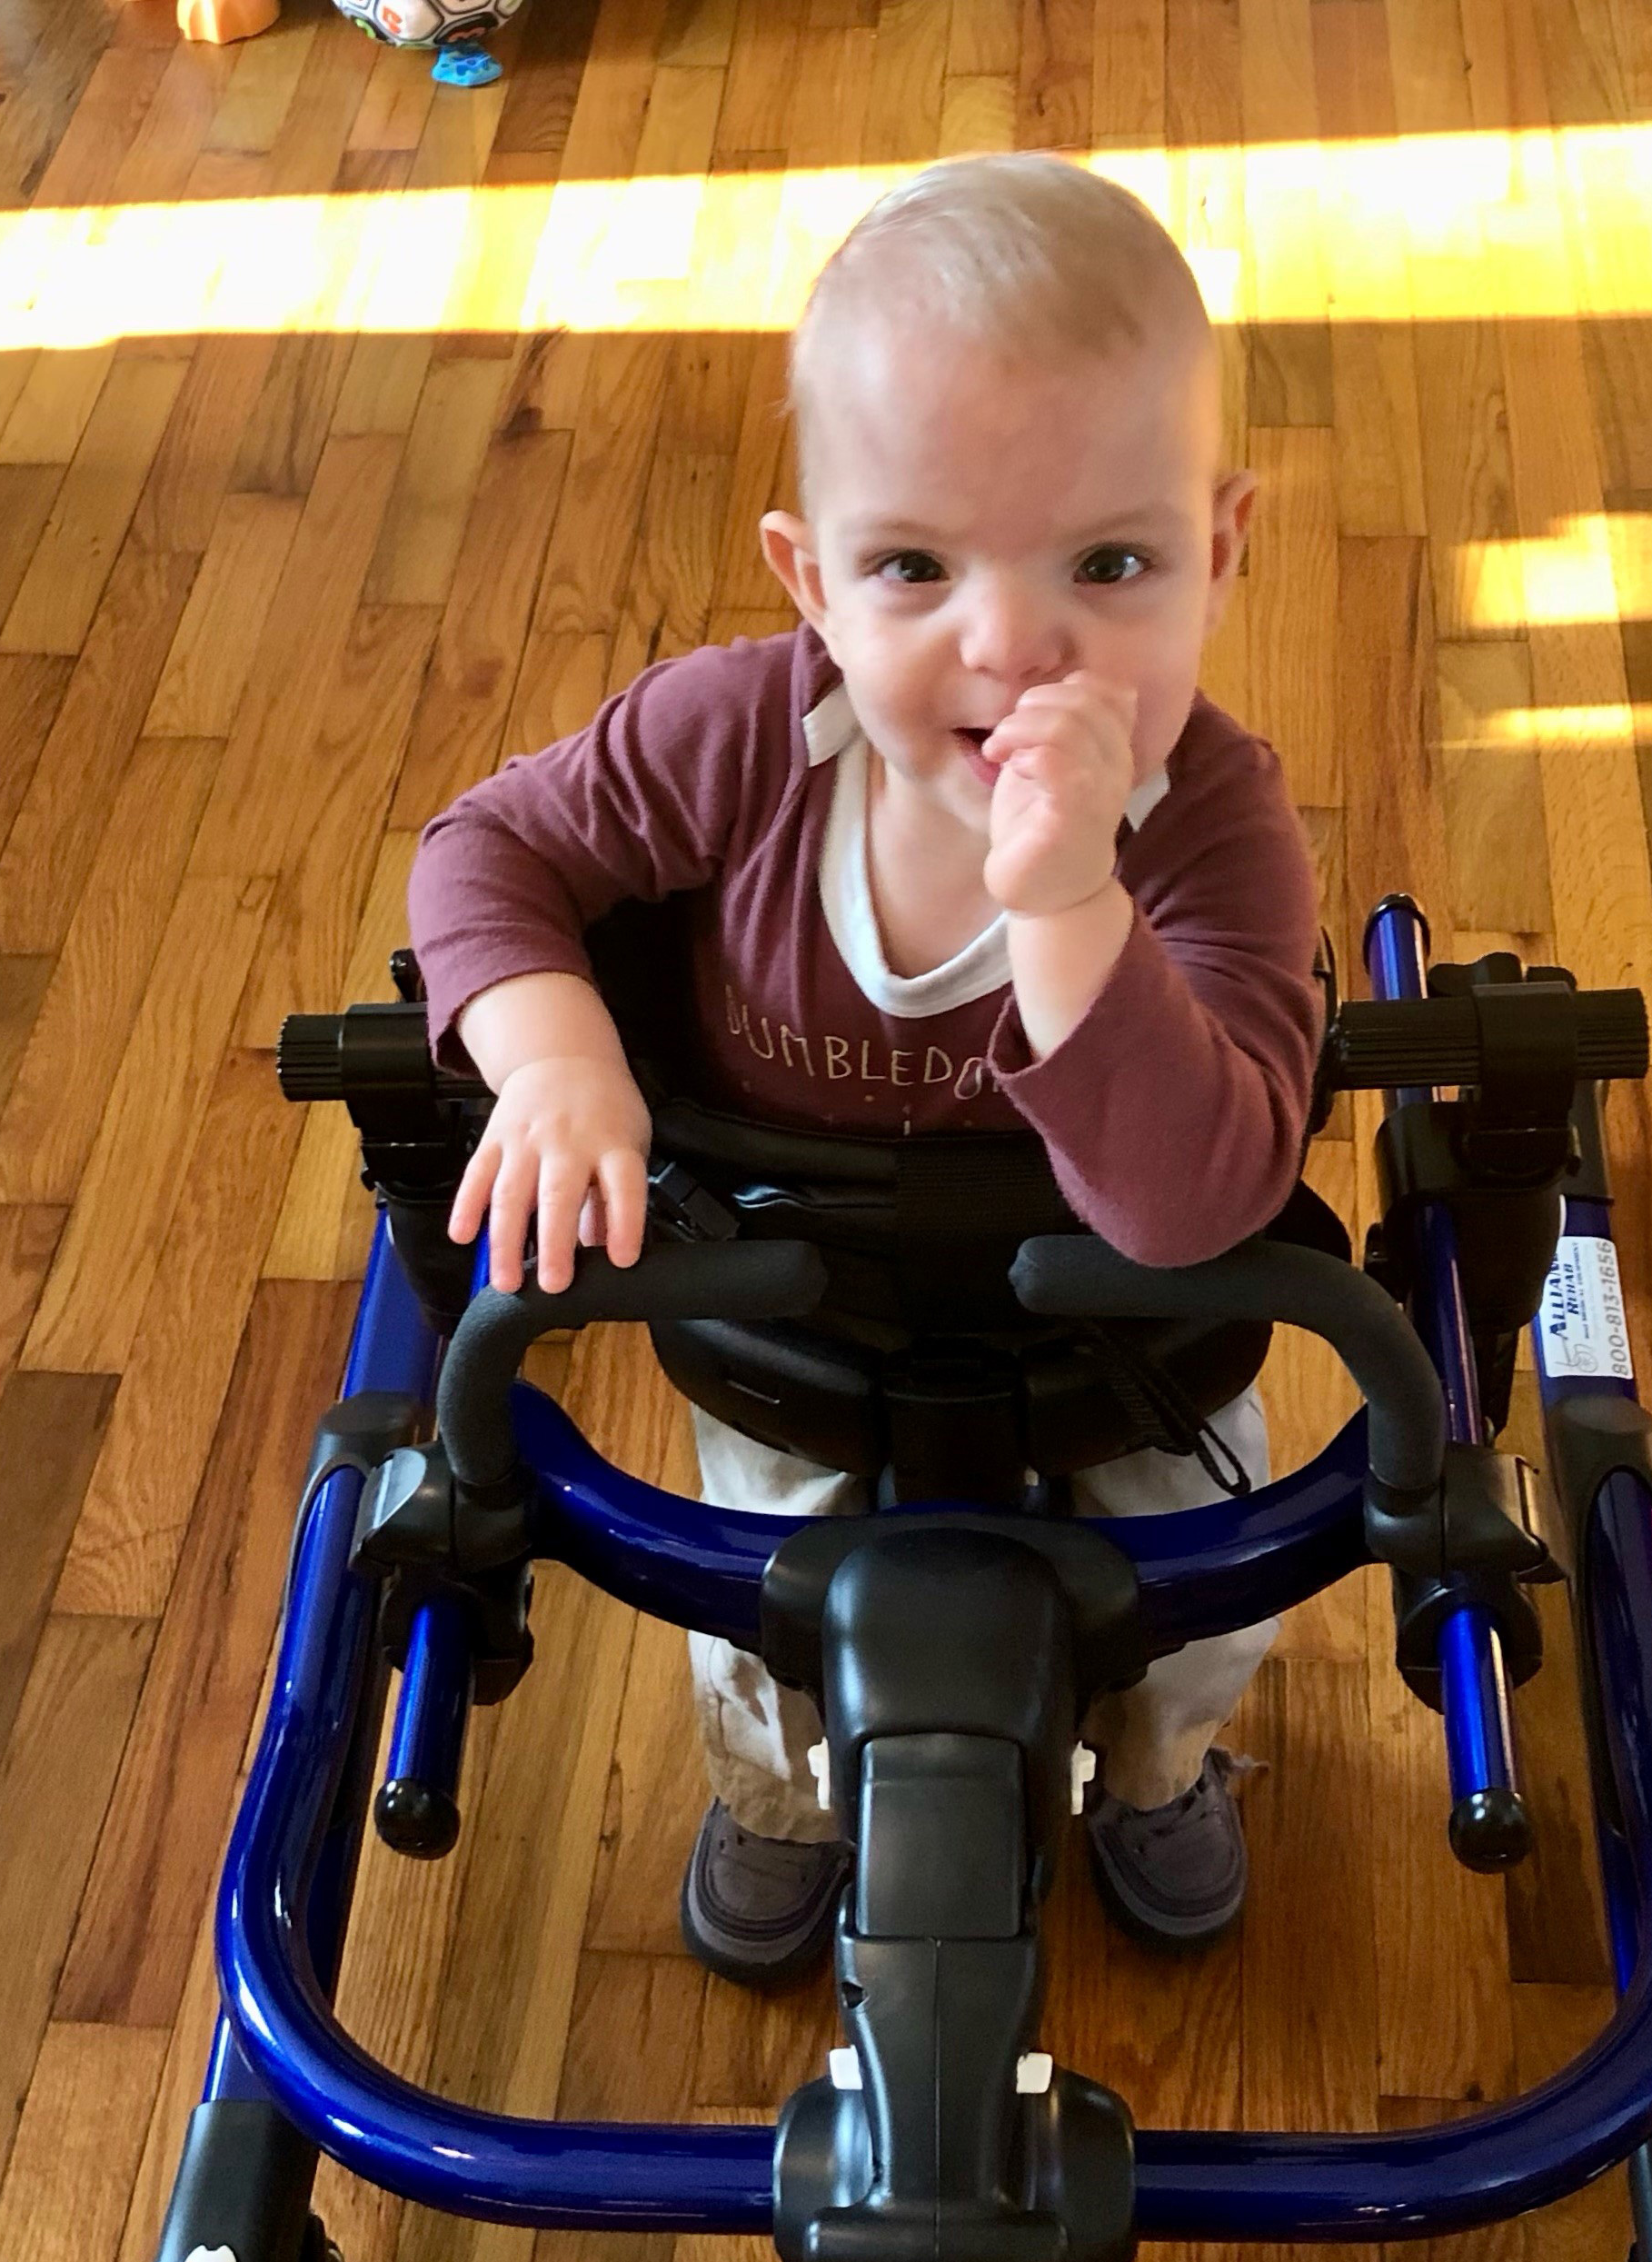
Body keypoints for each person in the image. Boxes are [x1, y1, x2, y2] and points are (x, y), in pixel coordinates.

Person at [407, 154, 1324, 1985]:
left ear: (1218, 550)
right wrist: (558, 1054)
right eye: (916, 565)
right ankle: (781, 1805)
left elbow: (1199, 1197)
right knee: (752, 1615)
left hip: (1126, 1353)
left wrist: (1072, 908)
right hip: (797, 1327)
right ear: (811, 577)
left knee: (1207, 1593)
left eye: (1111, 563)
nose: (1009, 641)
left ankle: (1157, 1769)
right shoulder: (743, 742)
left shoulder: (1214, 827)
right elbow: (482, 857)